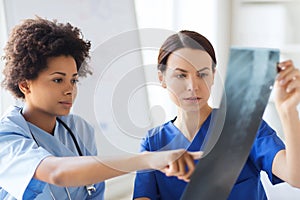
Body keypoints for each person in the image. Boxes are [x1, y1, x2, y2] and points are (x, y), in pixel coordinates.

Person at [0, 18, 201, 200]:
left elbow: (94, 194)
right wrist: (149, 160)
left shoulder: (80, 130)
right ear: (25, 85)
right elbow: (56, 173)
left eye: (74, 80)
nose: (69, 90)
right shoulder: (6, 137)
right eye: (58, 80)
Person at [133, 30, 300, 200]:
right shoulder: (153, 142)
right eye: (181, 75)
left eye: (202, 74)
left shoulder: (244, 125)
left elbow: (296, 177)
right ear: (162, 78)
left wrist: (288, 111)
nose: (192, 86)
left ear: (213, 76)